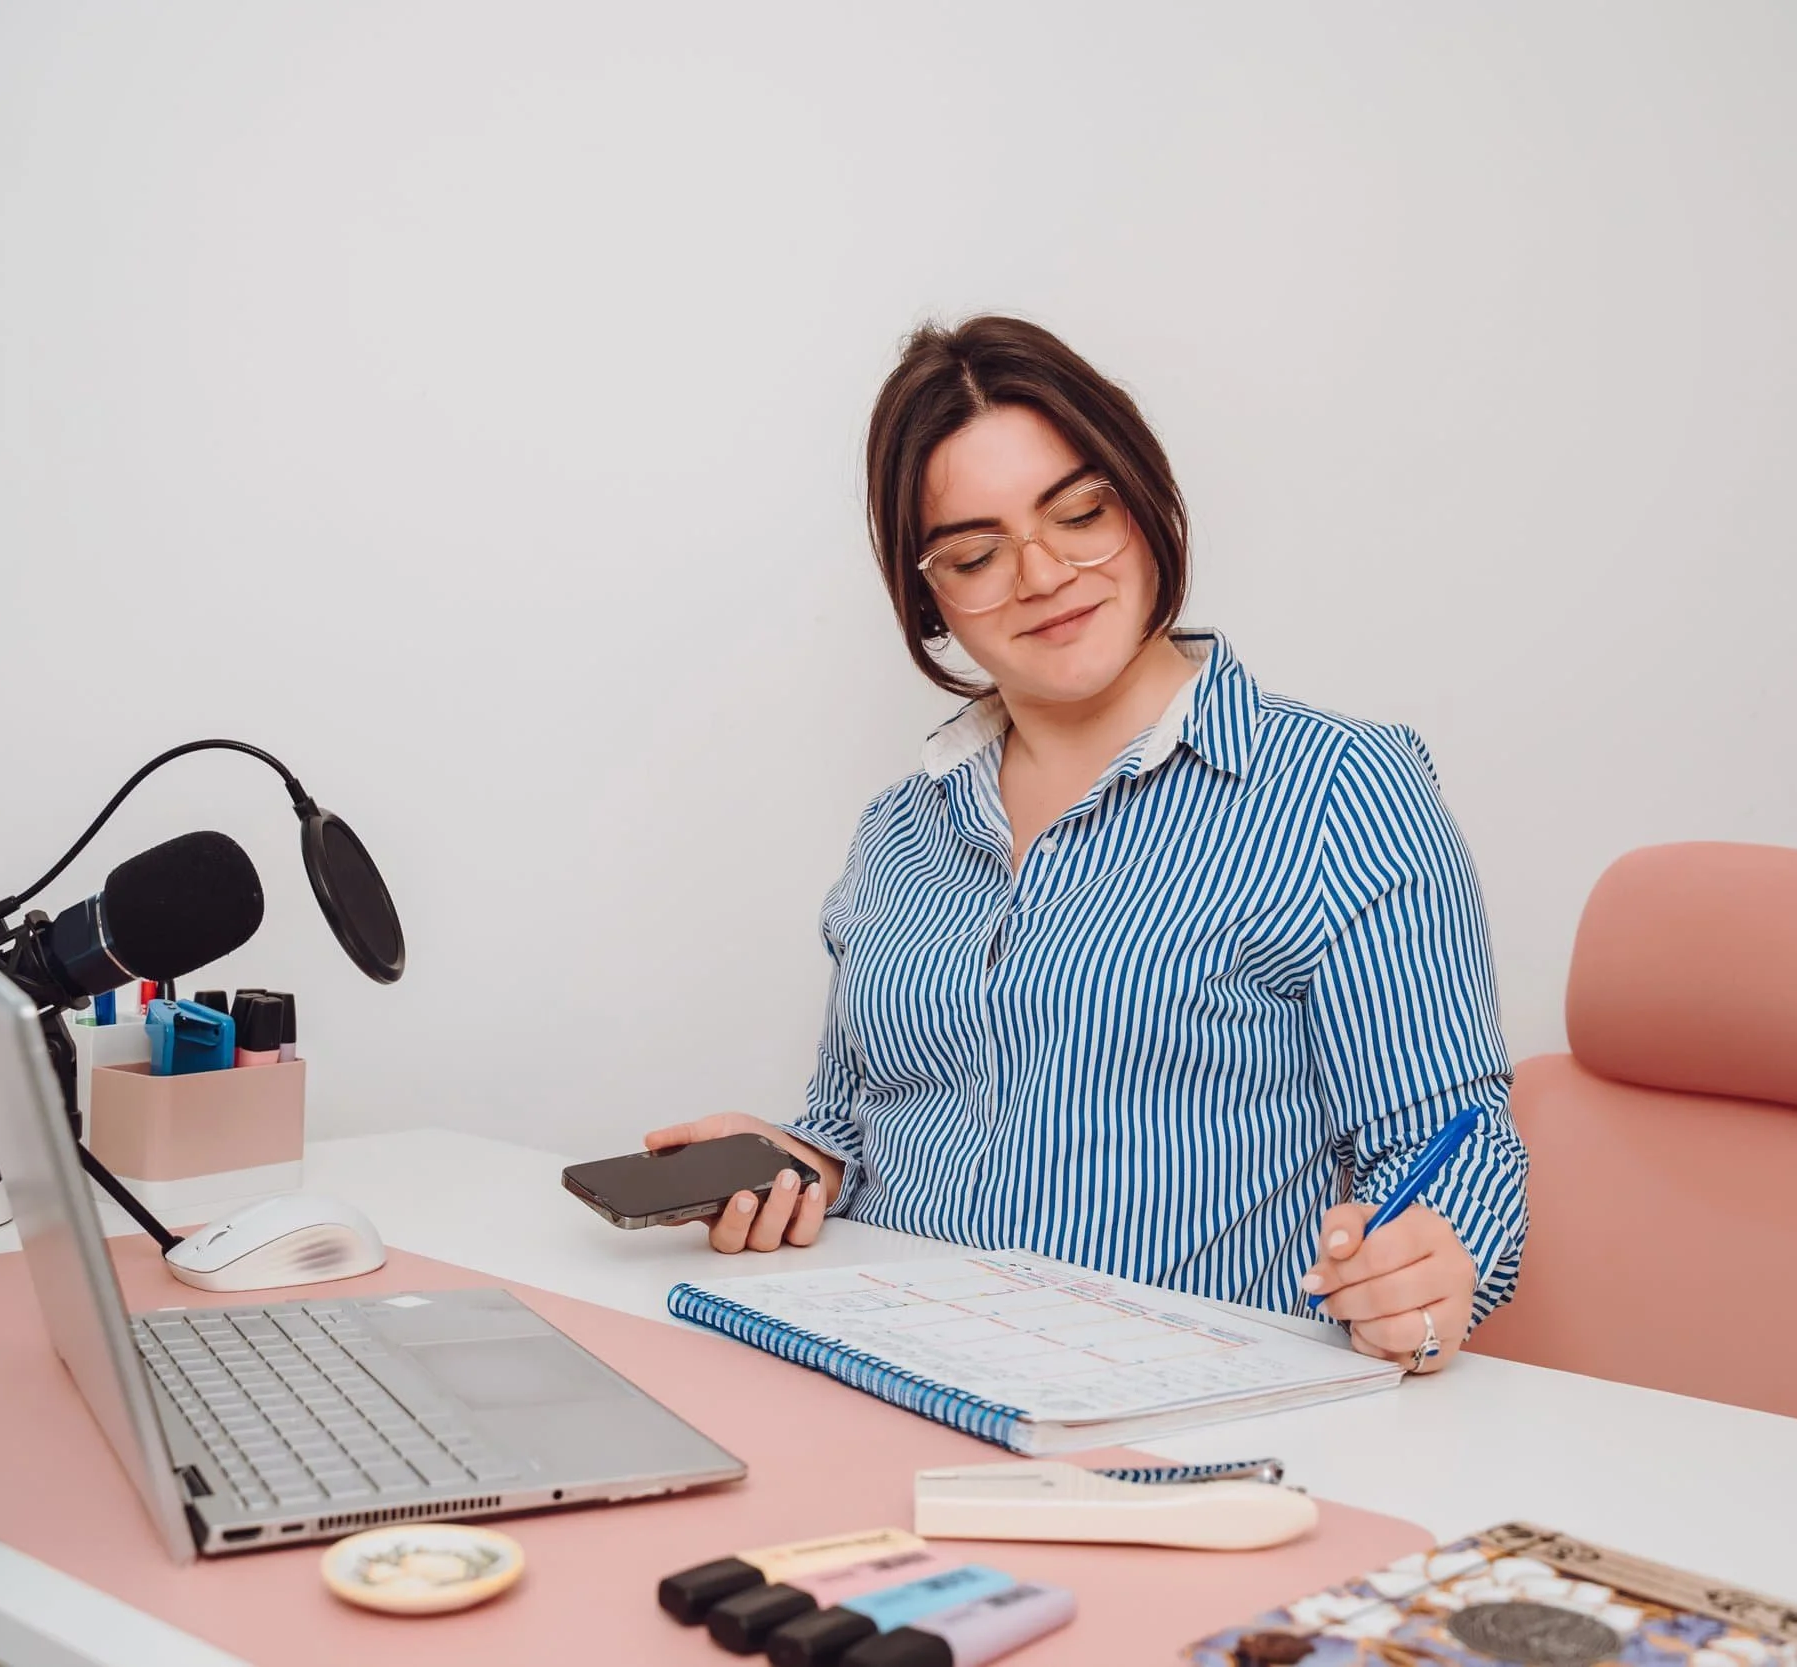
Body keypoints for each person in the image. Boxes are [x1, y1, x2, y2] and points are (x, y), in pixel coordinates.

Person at [646, 316, 1526, 1374]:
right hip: (881, 1373)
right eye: (974, 552)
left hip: (1168, 1414)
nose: (1040, 572)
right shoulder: (897, 828)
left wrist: (1434, 1268)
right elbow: (854, 1118)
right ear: (928, 596)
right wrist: (803, 1167)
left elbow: (1451, 1143)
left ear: (1144, 501)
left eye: (1079, 514)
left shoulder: (1341, 793)